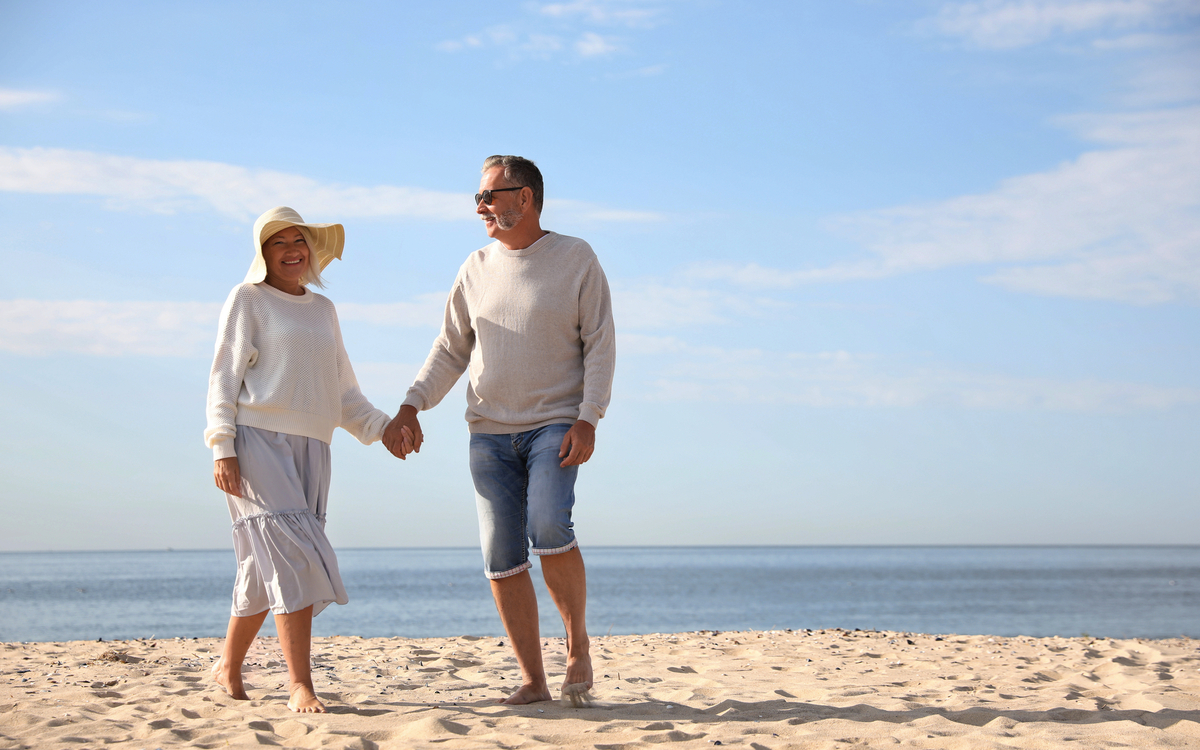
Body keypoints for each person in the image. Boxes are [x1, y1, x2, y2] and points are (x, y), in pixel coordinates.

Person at [382, 155, 616, 705]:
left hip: (555, 422)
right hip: (488, 431)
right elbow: (449, 348)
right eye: (478, 198)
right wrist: (411, 405)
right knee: (500, 553)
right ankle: (534, 680)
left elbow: (600, 344)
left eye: (489, 196)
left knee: (548, 523)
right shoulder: (475, 267)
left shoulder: (576, 258)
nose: (481, 206)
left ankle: (577, 642)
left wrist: (589, 416)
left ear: (525, 198)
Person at [204, 206, 410, 713]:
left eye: (300, 241)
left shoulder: (323, 310)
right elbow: (223, 379)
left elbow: (342, 392)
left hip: (314, 447)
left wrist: (384, 428)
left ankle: (228, 666)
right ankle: (301, 684)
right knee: (295, 559)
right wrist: (222, 446)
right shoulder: (247, 299)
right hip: (256, 442)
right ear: (262, 254)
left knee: (266, 565)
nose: (293, 250)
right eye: (279, 243)